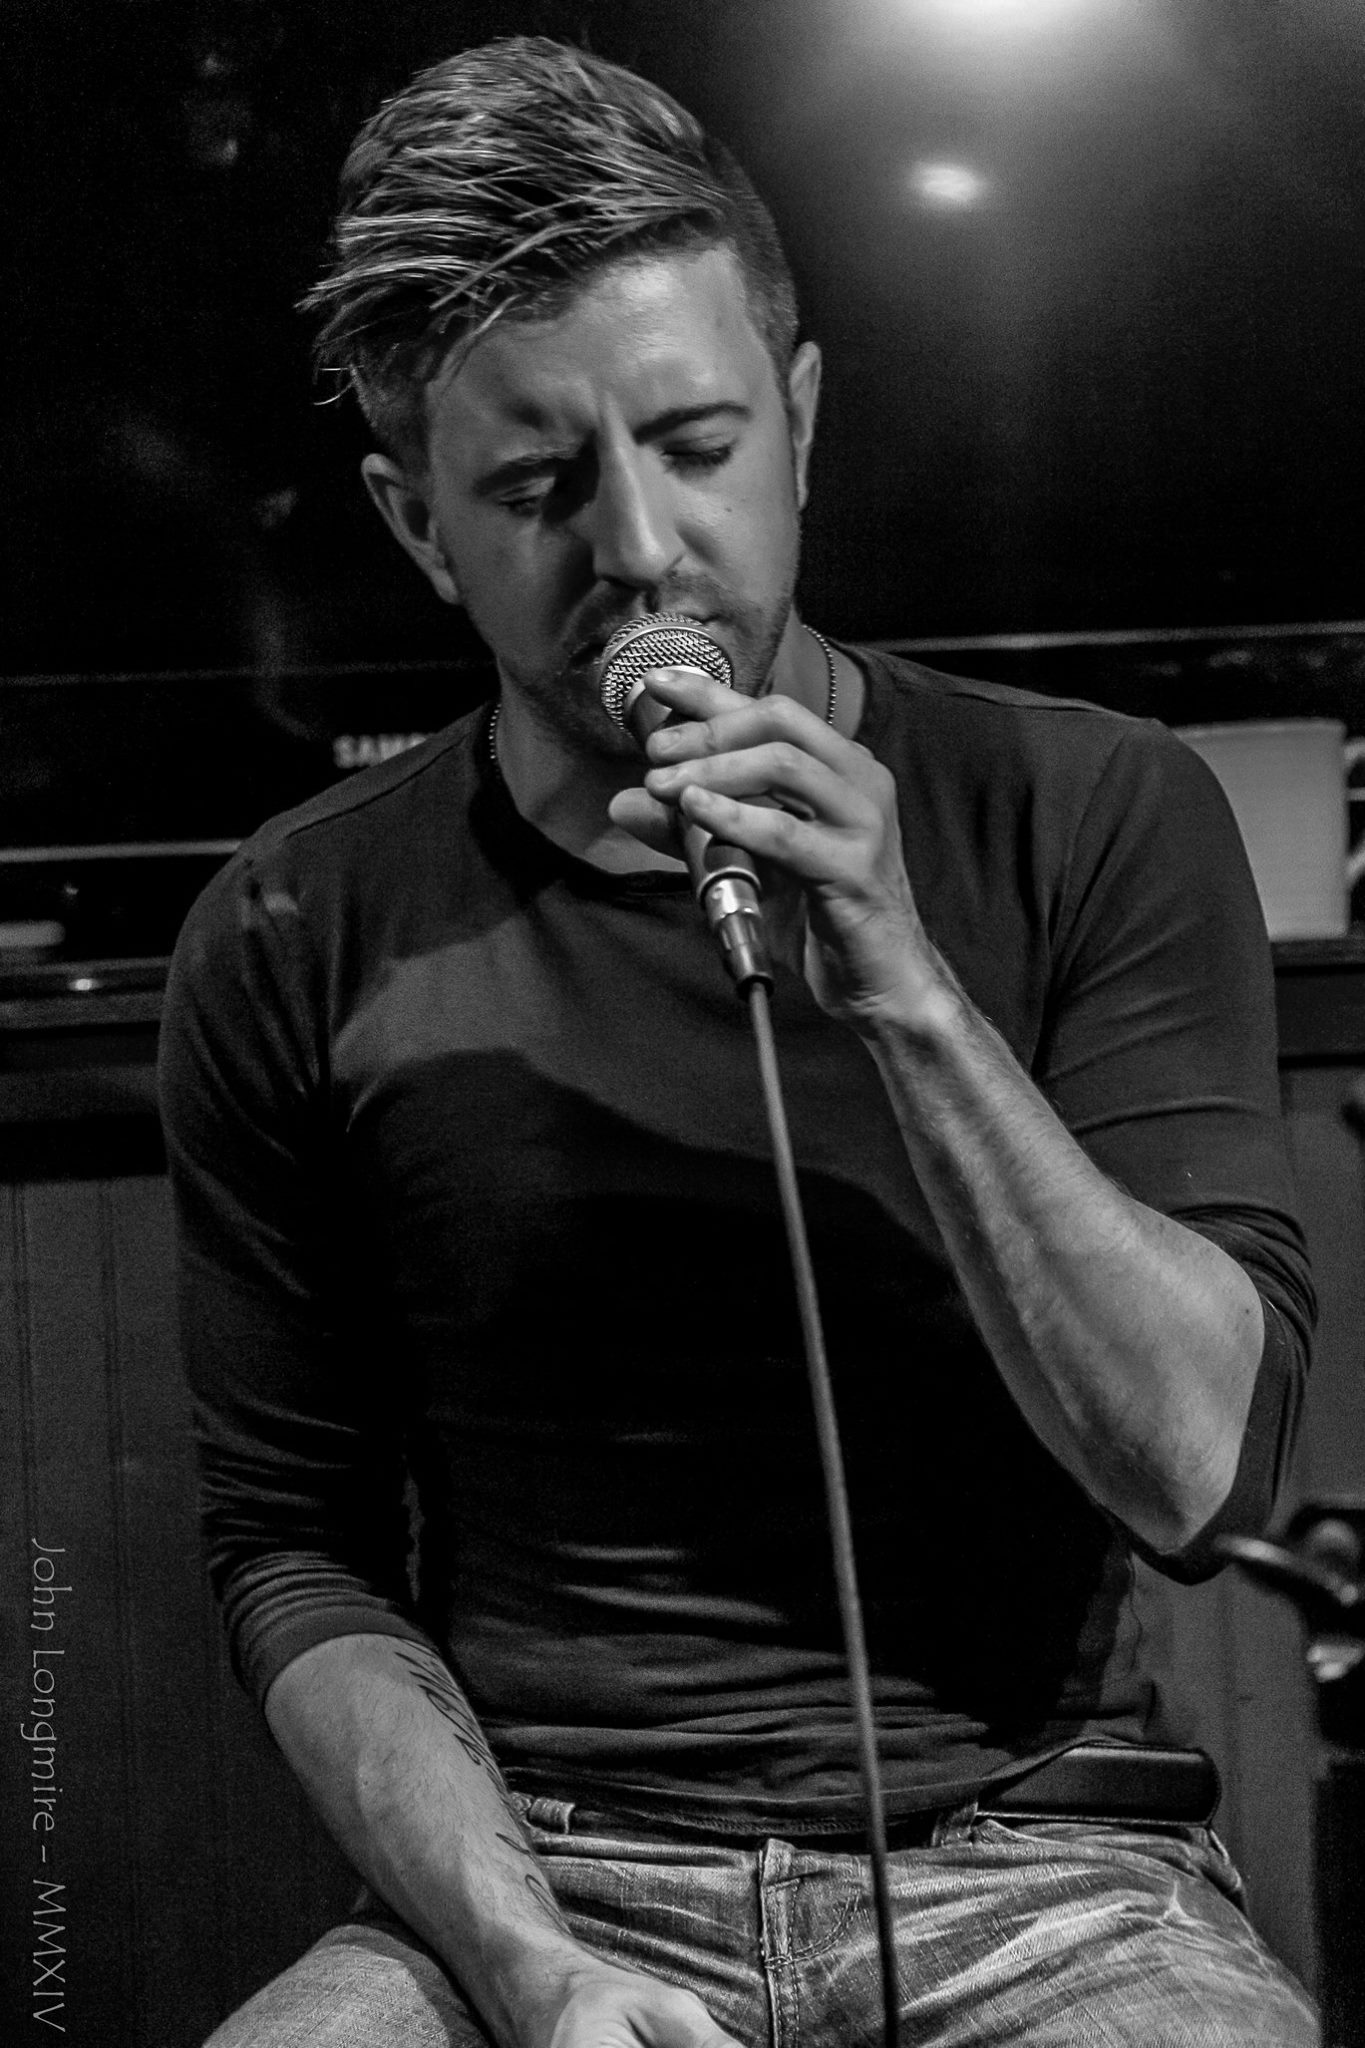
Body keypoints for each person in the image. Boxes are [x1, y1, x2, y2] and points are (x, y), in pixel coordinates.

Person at [159, 35, 1321, 2048]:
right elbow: (297, 1557)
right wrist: (524, 1961)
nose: (639, 547)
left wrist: (899, 984)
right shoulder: (289, 925)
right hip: (544, 1874)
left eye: (696, 444)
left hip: (1043, 1870)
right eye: (536, 487)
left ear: (799, 418)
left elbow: (1195, 1475)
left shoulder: (1090, 806)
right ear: (417, 524)